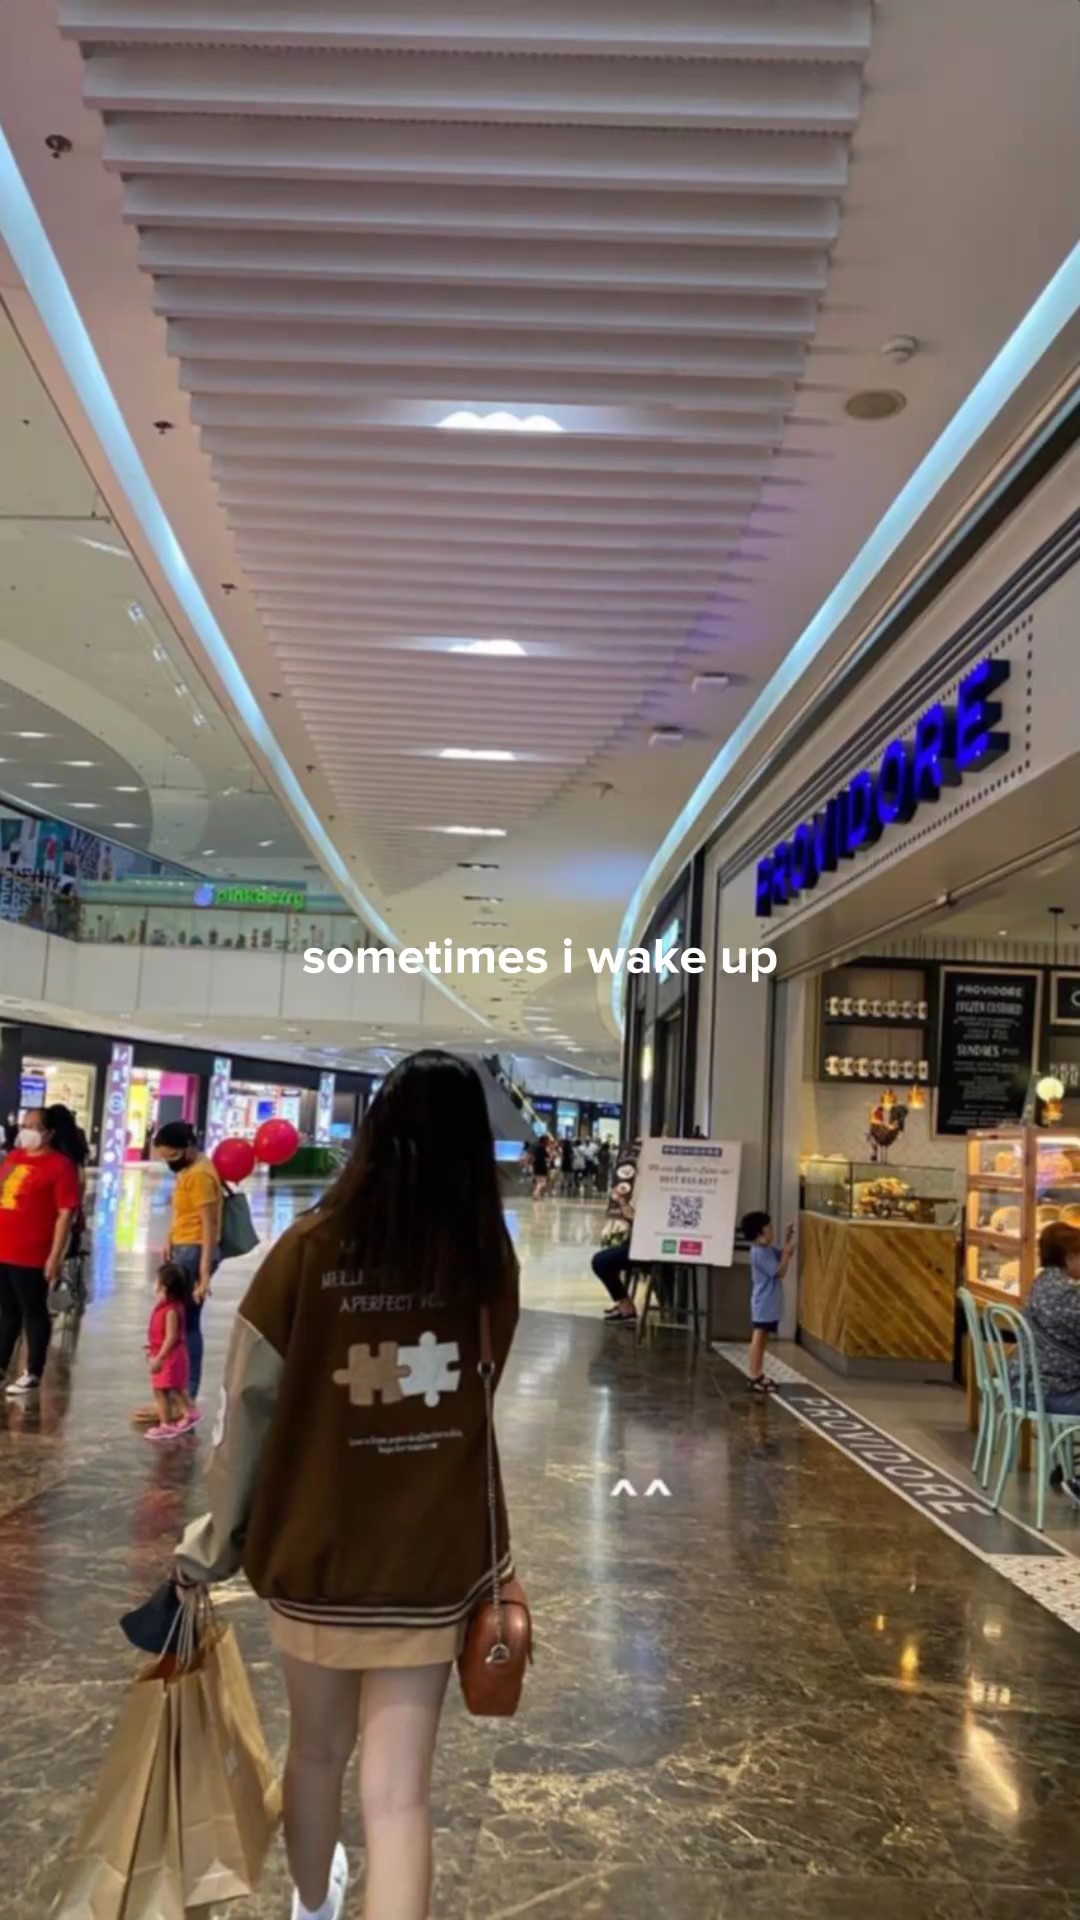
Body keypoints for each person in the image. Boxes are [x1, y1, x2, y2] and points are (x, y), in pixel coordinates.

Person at [173, 1051, 521, 1920]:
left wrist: (215, 1543)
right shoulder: (485, 1261)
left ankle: (312, 1903)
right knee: (399, 1795)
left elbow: (247, 1409)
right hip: (430, 1559)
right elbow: (479, 1393)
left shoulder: (309, 1250)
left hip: (316, 1547)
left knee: (316, 1754)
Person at [0, 1106, 81, 1395]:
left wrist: (55, 1255)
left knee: (32, 1310)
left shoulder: (60, 1166)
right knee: (7, 1310)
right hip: (4, 1246)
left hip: (32, 1251)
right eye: (24, 1125)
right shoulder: (14, 1157)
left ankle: (33, 1370)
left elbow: (65, 1213)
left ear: (48, 1133)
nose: (26, 1131)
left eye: (33, 1126)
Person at [153, 1120, 223, 1401]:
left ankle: (186, 1392)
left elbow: (209, 1225)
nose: (170, 1162)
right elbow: (185, 1213)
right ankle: (179, 1392)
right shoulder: (190, 1170)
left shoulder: (201, 1176)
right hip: (184, 1246)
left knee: (184, 1323)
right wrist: (171, 1236)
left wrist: (203, 1274)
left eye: (173, 1155)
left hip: (195, 1251)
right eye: (165, 1157)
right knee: (179, 1322)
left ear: (189, 1147)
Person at [1023, 1221, 1080, 1507]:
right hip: (1057, 1390)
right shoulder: (1067, 1296)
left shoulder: (1043, 1283)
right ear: (1069, 1257)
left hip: (1035, 1383)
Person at [740, 1211, 796, 1393]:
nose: (772, 1230)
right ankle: (754, 1375)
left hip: (769, 1302)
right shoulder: (759, 1253)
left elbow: (783, 1254)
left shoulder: (767, 1249)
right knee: (759, 1337)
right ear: (760, 1231)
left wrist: (787, 1239)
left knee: (762, 1338)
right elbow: (780, 1271)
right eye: (768, 1227)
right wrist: (787, 1255)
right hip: (763, 1302)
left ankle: (758, 1373)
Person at [145, 1261, 194, 1442]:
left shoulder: (171, 1311)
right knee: (169, 1388)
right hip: (167, 1355)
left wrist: (159, 1357)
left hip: (169, 1357)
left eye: (157, 1282)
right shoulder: (168, 1307)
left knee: (164, 1389)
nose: (154, 1286)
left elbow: (171, 1337)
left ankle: (169, 1423)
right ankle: (185, 1414)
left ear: (165, 1288)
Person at [530, 1132, 550, 1200]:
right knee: (543, 1183)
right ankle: (535, 1194)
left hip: (536, 1167)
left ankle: (537, 1195)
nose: (548, 1142)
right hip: (541, 1167)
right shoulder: (542, 1148)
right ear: (544, 1141)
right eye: (547, 1140)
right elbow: (548, 1156)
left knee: (538, 1182)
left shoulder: (537, 1147)